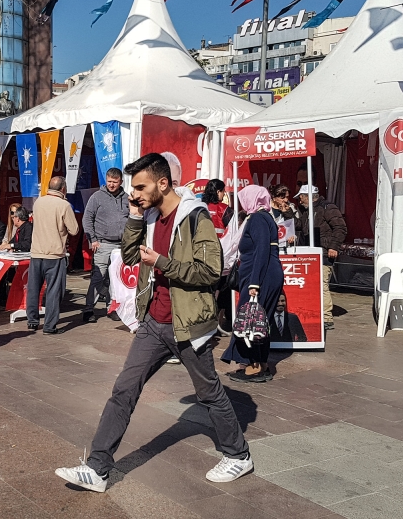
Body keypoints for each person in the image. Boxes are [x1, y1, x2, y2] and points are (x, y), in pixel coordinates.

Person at [55, 153, 252, 492]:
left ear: (163, 183)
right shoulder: (148, 216)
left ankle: (238, 455)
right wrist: (134, 215)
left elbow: (209, 272)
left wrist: (163, 261)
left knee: (208, 392)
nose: (135, 193)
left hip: (188, 322)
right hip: (153, 323)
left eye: (141, 187)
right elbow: (130, 255)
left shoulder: (195, 217)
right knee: (124, 390)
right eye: (133, 188)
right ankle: (98, 468)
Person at [222, 185, 284, 383]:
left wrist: (254, 282)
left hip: (261, 275)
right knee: (260, 318)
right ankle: (261, 363)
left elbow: (261, 251)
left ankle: (253, 365)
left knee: (250, 318)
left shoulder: (257, 218)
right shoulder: (266, 217)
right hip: (268, 273)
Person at [26, 177, 79, 334]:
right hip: (54, 255)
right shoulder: (64, 205)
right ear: (63, 188)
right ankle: (49, 326)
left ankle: (32, 321)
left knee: (33, 289)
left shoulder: (38, 202)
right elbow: (74, 230)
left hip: (36, 252)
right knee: (53, 291)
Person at [295, 185, 346, 331]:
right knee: (313, 285)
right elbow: (300, 226)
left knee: (321, 285)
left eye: (301, 196)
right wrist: (287, 214)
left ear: (308, 196)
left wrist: (333, 246)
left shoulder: (327, 207)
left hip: (323, 253)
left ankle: (326, 317)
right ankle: (314, 313)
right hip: (309, 253)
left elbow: (340, 227)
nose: (300, 200)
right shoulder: (307, 211)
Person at [82, 168, 129, 323]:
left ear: (120, 182)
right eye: (109, 181)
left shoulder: (127, 198)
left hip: (120, 246)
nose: (111, 184)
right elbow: (87, 218)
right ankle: (89, 309)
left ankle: (112, 308)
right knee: (98, 277)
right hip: (102, 244)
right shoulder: (97, 197)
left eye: (115, 182)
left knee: (115, 279)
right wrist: (93, 240)